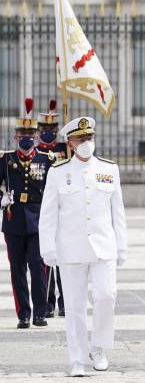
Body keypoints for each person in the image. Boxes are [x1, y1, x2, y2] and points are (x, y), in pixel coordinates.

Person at [38, 117, 127, 377]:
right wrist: (47, 247)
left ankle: (98, 348)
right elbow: (48, 213)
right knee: (75, 306)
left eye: (89, 137)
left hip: (103, 246)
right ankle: (77, 358)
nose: (87, 143)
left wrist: (121, 246)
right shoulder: (58, 172)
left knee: (106, 295)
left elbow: (118, 212)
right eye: (81, 139)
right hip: (71, 249)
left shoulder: (109, 169)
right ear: (70, 143)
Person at [2, 98, 58, 328]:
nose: (25, 138)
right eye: (21, 134)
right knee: (17, 269)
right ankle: (23, 314)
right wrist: (2, 200)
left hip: (39, 221)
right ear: (16, 137)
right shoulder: (6, 160)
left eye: (29, 134)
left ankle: (40, 312)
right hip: (13, 220)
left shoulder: (47, 160)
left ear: (35, 137)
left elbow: (55, 191)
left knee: (38, 266)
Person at [36, 98, 65, 318]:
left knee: (64, 259)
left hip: (64, 210)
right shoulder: (35, 152)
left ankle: (65, 301)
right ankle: (48, 302)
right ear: (38, 130)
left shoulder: (65, 149)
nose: (48, 132)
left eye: (52, 128)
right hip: (43, 210)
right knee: (46, 259)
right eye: (45, 128)